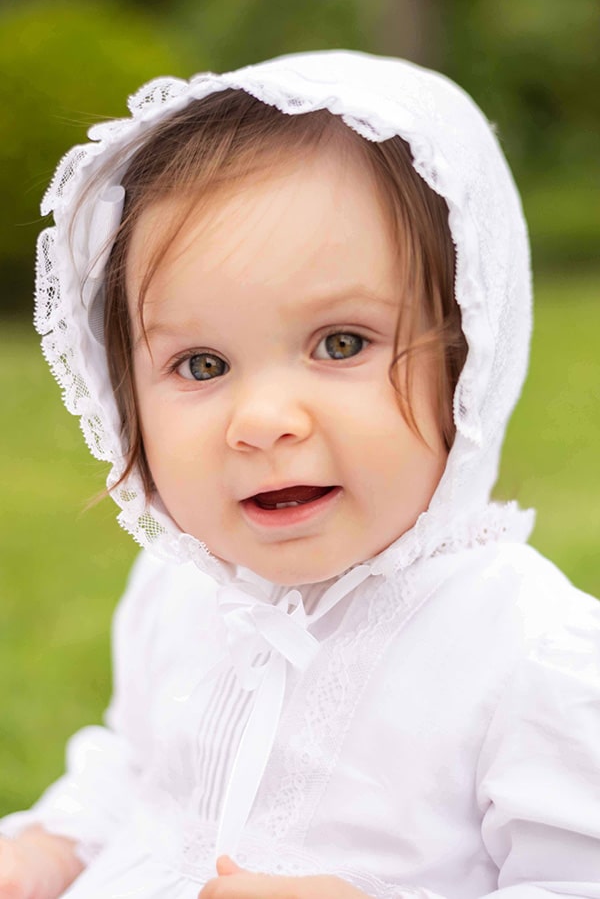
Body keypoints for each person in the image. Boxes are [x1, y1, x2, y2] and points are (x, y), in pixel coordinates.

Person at [0, 49, 599, 899]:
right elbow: (135, 772)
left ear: (471, 358)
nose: (262, 420)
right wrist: (47, 849)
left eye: (341, 344)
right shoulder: (180, 593)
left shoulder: (527, 653)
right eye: (202, 365)